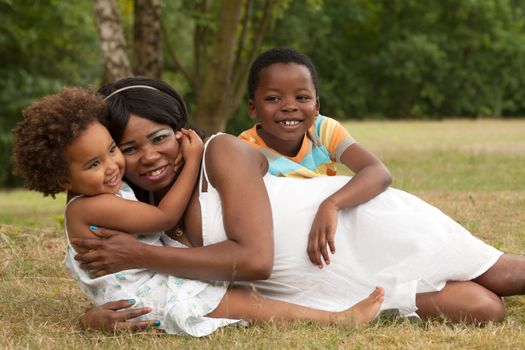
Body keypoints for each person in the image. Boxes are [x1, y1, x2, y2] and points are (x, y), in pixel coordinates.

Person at [74, 76, 525, 331]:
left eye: (159, 139)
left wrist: (141, 254)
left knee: (506, 274)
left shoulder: (220, 152)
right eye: (129, 149)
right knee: (484, 309)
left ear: (181, 132)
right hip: (322, 285)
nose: (149, 157)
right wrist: (92, 319)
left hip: (352, 229)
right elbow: (135, 284)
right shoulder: (137, 210)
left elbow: (255, 261)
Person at [12, 87, 385, 336]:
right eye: (94, 163)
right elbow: (164, 220)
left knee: (240, 297)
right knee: (239, 303)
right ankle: (337, 320)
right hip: (147, 291)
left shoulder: (95, 195)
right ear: (63, 178)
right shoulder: (91, 204)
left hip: (144, 282)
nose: (111, 166)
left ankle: (335, 315)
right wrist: (192, 160)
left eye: (111, 150)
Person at [239, 47, 392, 268]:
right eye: (273, 98)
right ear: (253, 108)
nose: (289, 107)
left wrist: (331, 205)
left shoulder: (323, 130)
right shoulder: (245, 150)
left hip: (330, 224)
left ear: (317, 106)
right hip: (288, 238)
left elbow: (378, 173)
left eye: (302, 97)